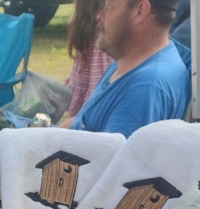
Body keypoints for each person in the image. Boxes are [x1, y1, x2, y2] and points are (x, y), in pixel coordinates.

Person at [69, 0, 191, 137]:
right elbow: (83, 121)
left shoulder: (145, 87)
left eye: (109, 7)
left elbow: (114, 150)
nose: (100, 15)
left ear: (140, 11)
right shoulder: (130, 61)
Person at [63, 0, 113, 121]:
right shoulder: (101, 38)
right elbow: (101, 81)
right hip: (93, 106)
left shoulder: (83, 26)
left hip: (82, 102)